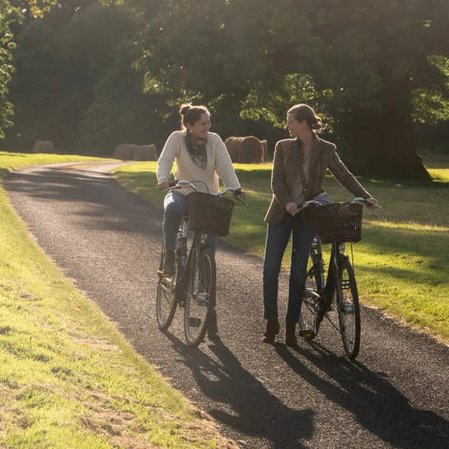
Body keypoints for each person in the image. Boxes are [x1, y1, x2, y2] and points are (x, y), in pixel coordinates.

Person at [262, 104, 377, 345]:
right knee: (270, 269)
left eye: (291, 121)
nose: (287, 126)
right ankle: (271, 321)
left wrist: (365, 196)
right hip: (281, 214)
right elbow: (276, 182)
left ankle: (291, 326)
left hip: (308, 214)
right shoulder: (282, 147)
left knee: (297, 271)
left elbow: (343, 175)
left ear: (304, 123)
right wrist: (288, 203)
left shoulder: (326, 149)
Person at [156, 103, 243, 337]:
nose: (208, 126)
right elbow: (164, 160)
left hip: (207, 198)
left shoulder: (215, 140)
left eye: (208, 122)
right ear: (190, 126)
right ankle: (171, 256)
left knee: (209, 252)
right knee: (172, 210)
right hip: (183, 191)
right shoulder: (176, 138)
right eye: (203, 123)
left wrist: (234, 187)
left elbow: (225, 166)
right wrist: (163, 179)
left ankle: (208, 310)